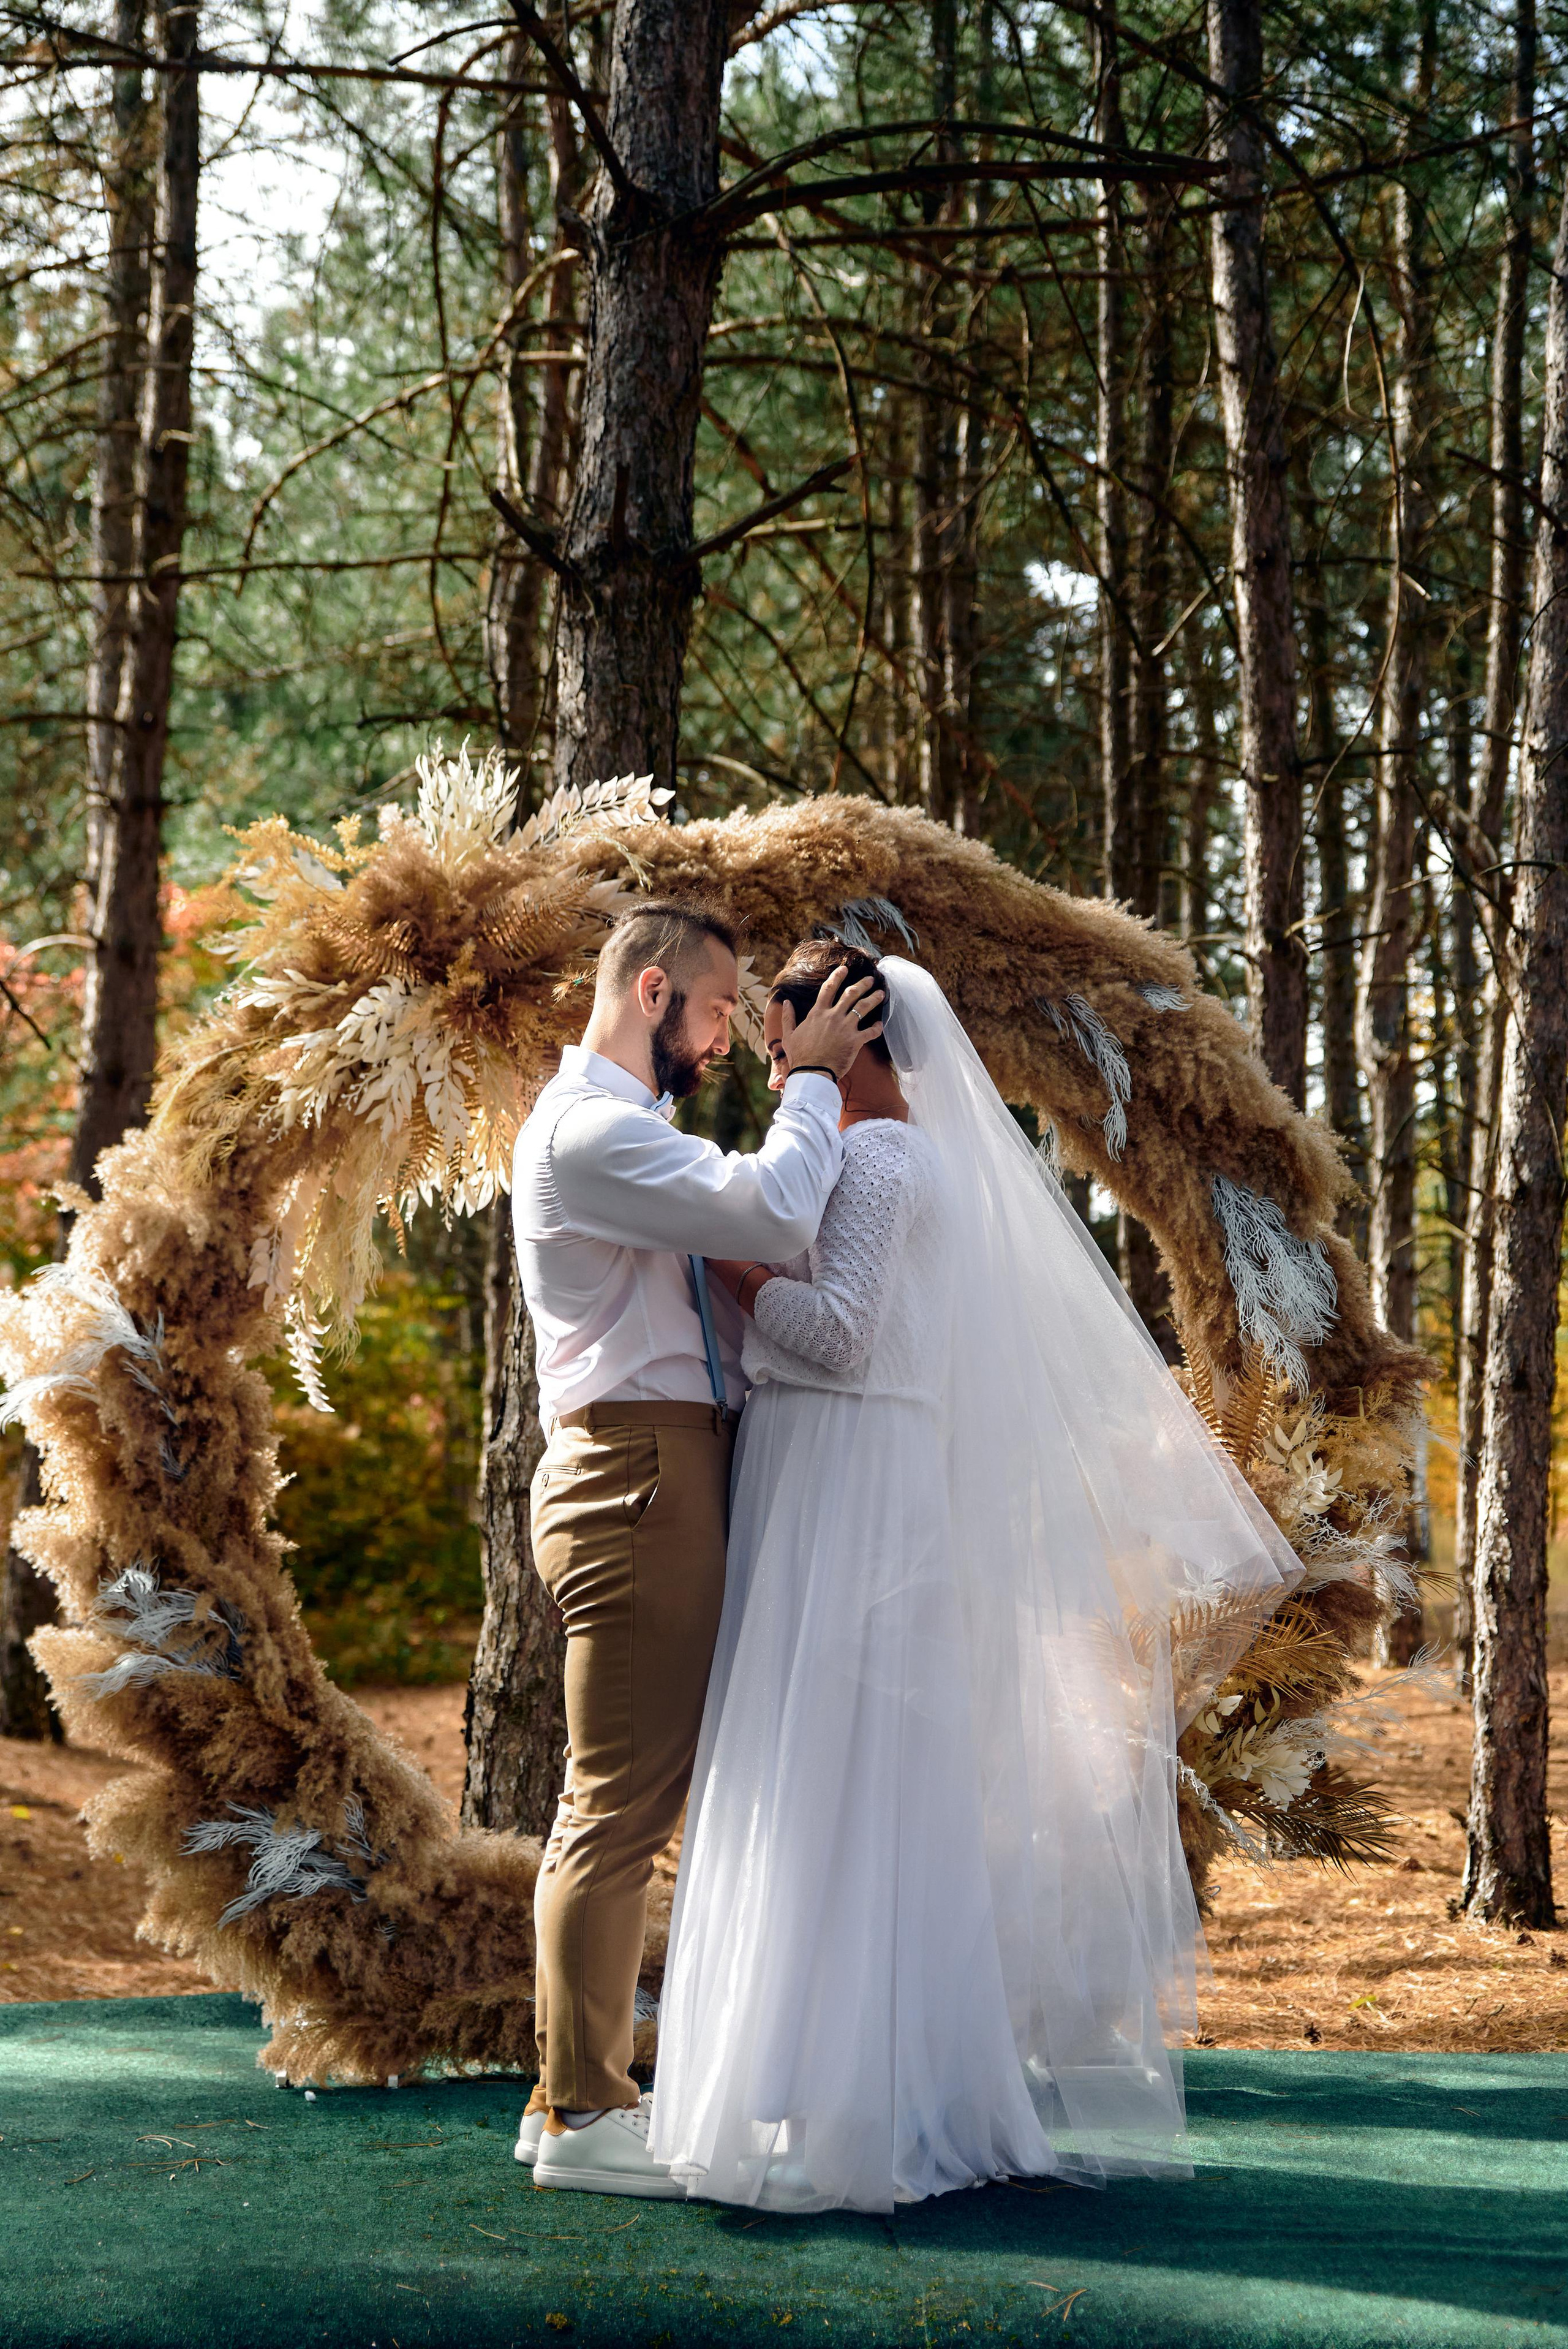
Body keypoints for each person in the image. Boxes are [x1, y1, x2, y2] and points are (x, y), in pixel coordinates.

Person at [649, 942, 1304, 2214]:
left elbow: (835, 1331)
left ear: (846, 1022)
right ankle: (871, 2075)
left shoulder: (883, 1154)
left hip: (844, 1475)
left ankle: (854, 2096)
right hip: (849, 1468)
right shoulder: (916, 1156)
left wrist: (720, 1262)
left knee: (831, 1774)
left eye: (780, 1010)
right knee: (856, 1779)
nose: (767, 1041)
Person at [510, 899, 883, 2200]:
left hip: (654, 1465)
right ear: (654, 991)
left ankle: (567, 2092)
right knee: (615, 1807)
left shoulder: (620, 1130)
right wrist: (823, 1080)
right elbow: (777, 1216)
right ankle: (584, 2117)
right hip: (640, 1474)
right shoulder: (594, 1133)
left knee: (614, 1801)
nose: (728, 1039)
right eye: (720, 1010)